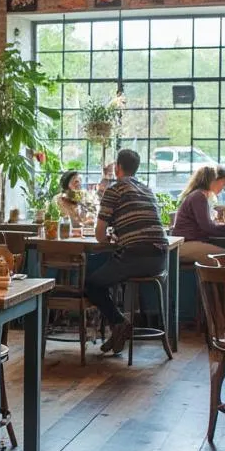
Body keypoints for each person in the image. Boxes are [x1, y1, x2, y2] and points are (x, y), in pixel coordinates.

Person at [84, 148, 168, 356]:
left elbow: (99, 234)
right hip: (160, 260)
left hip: (136, 256)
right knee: (109, 271)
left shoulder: (114, 190)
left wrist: (110, 238)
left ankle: (119, 322)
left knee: (92, 283)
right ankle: (117, 327)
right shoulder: (147, 189)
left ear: (118, 168)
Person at [171, 165, 225, 263]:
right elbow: (207, 227)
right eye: (223, 183)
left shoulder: (198, 195)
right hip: (186, 244)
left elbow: (207, 226)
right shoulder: (198, 197)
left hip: (187, 243)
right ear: (211, 180)